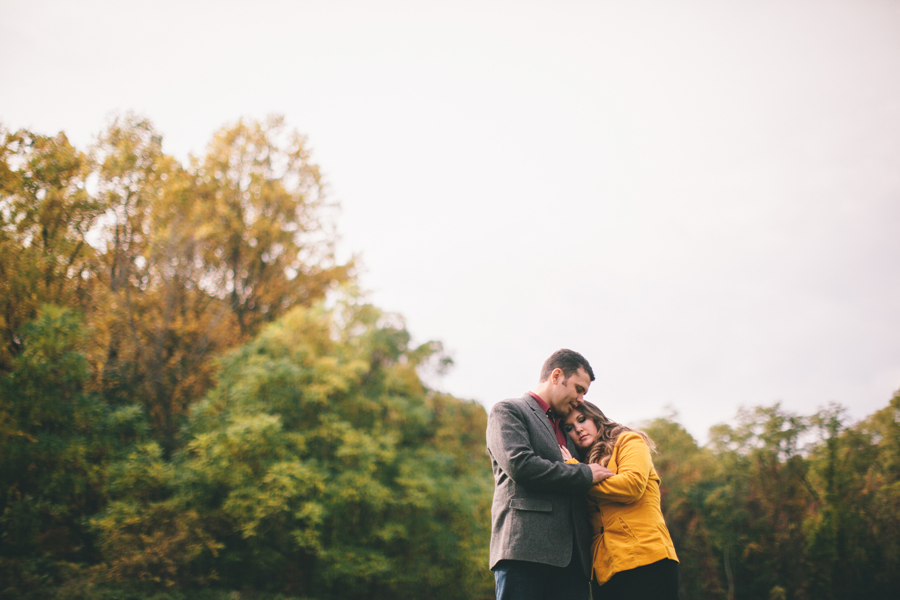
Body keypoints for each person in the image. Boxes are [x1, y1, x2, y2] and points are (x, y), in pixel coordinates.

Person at [486, 349, 613, 600]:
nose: (580, 399)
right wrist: (584, 473)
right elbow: (520, 465)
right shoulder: (509, 410)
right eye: (578, 389)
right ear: (556, 376)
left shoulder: (570, 427)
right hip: (525, 550)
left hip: (574, 560)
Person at [560, 401, 679, 600]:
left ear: (596, 418)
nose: (578, 429)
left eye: (582, 419)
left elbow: (631, 486)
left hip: (646, 558)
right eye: (569, 428)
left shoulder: (628, 441)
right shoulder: (585, 465)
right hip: (604, 569)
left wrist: (578, 473)